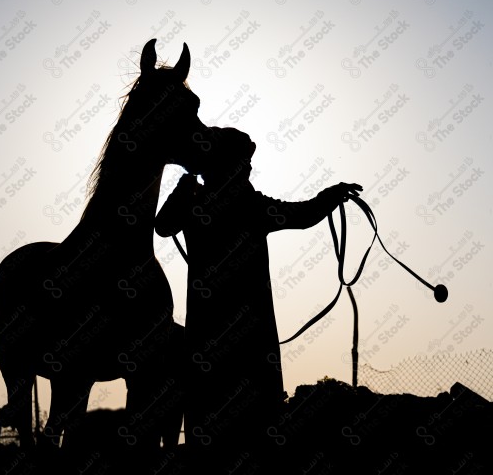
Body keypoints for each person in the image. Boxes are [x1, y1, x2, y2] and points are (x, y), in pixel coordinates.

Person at [155, 127, 362, 469]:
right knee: (256, 435)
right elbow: (304, 215)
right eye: (246, 163)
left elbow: (163, 226)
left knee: (208, 435)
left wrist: (183, 187)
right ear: (232, 166)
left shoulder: (200, 205)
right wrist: (331, 195)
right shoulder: (249, 206)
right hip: (250, 341)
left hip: (206, 340)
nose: (250, 169)